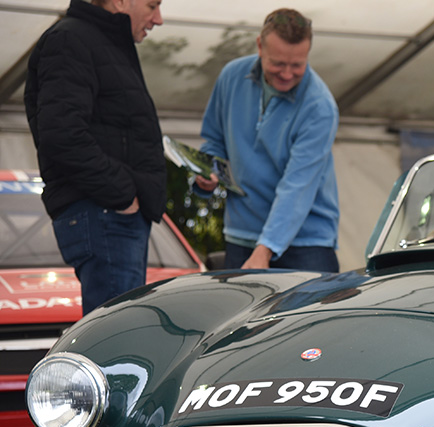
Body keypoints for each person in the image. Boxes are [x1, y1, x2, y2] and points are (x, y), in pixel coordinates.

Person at [24, 0, 166, 315]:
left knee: (121, 336)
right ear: (120, 1)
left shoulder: (102, 41)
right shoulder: (71, 39)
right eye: (152, 5)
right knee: (117, 342)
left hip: (112, 215)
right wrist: (123, 194)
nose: (159, 19)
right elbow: (62, 134)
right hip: (105, 213)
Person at [195, 8, 340, 272]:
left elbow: (298, 186)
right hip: (242, 234)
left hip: (308, 244)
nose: (286, 74)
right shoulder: (230, 77)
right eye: (278, 63)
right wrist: (207, 173)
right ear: (260, 46)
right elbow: (214, 141)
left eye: (297, 65)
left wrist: (266, 249)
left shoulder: (320, 107)